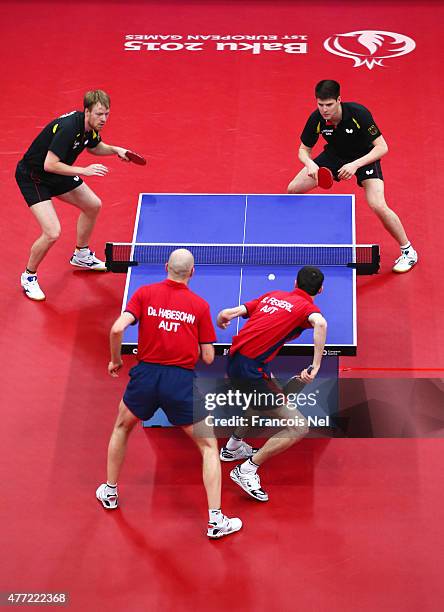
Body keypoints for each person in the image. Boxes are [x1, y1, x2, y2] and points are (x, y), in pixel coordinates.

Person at [96, 249, 242, 539]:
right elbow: (209, 357)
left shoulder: (144, 293)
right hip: (180, 382)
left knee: (122, 427)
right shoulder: (199, 305)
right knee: (209, 447)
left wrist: (115, 359)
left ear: (166, 267)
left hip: (145, 377)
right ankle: (216, 520)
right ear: (192, 272)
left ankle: (110, 492)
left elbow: (116, 329)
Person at [216, 266, 327, 502]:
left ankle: (232, 447)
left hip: (240, 361)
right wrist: (316, 365)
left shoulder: (273, 295)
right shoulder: (307, 308)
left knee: (263, 402)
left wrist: (227, 313)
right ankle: (246, 470)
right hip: (250, 370)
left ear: (295, 282)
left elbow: (241, 309)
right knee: (299, 427)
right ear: (321, 289)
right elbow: (320, 324)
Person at [287, 80, 418, 274]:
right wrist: (310, 164)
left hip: (364, 158)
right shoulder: (317, 119)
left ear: (339, 100)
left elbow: (382, 147)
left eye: (329, 104)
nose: (324, 110)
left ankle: (409, 251)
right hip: (334, 156)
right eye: (320, 104)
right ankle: (305, 229)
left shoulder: (359, 114)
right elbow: (302, 150)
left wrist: (355, 164)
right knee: (293, 189)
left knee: (377, 204)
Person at [16, 89, 132, 301]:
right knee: (52, 232)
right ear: (86, 111)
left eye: (106, 114)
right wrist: (84, 170)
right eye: (99, 114)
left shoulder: (89, 128)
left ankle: (81, 254)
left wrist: (117, 150)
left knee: (93, 205)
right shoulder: (69, 128)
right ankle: (28, 276)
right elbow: (49, 164)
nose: (103, 119)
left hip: (57, 172)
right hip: (34, 177)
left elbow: (95, 147)